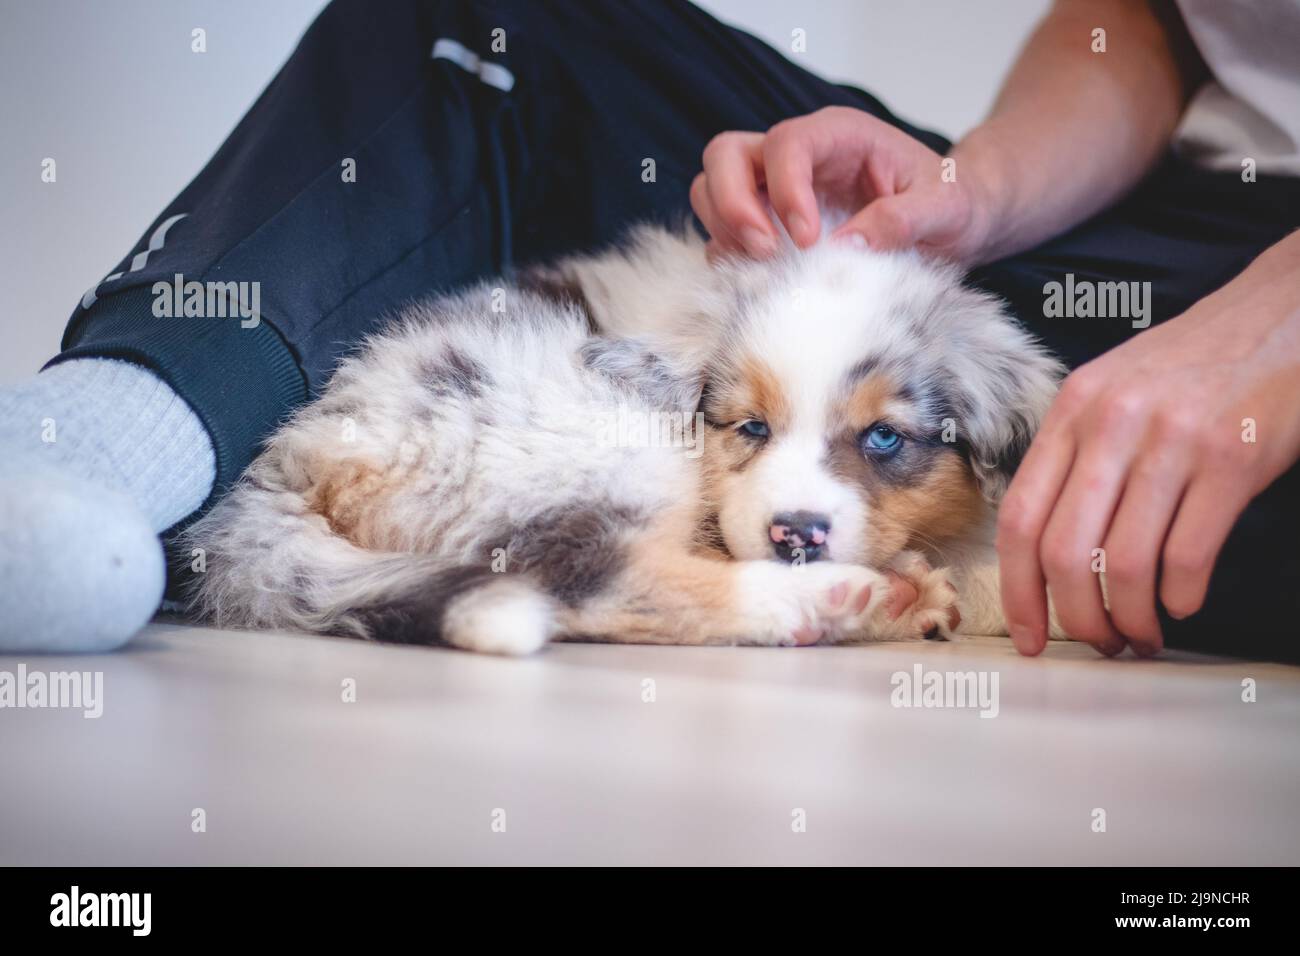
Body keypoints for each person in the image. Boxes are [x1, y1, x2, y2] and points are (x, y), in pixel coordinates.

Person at [2, 0, 1297, 660]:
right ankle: (108, 439)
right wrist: (968, 201)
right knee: (500, 22)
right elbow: (1154, 24)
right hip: (1155, 212)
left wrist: (1267, 326)